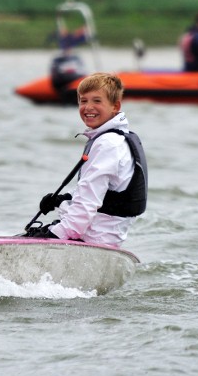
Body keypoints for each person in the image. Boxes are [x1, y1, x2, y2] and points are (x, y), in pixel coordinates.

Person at [25, 73, 147, 247]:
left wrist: (56, 234)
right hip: (103, 239)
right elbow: (101, 192)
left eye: (97, 101)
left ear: (115, 106)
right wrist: (62, 200)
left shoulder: (108, 143)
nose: (88, 107)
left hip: (91, 240)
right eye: (83, 101)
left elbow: (88, 202)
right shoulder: (117, 138)